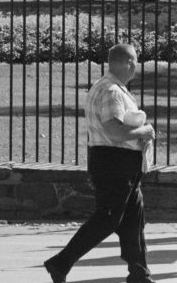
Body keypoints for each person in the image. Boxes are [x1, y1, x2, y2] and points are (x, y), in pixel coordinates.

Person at [44, 42, 155, 283]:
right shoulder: (112, 90)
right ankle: (60, 263)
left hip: (118, 162)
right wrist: (145, 131)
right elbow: (113, 130)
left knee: (133, 220)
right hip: (115, 163)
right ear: (128, 63)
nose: (136, 66)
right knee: (108, 218)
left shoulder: (107, 87)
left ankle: (139, 273)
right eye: (135, 61)